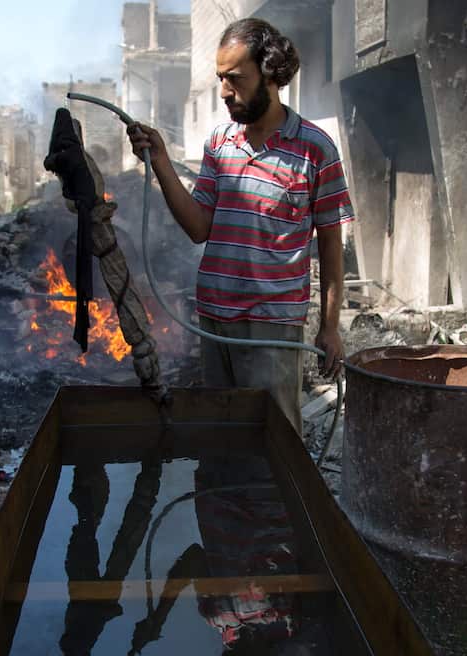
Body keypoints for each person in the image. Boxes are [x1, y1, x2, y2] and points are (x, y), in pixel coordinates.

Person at [127, 18, 354, 429]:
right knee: (220, 436)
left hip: (272, 327)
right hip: (214, 321)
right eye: (220, 78)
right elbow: (199, 227)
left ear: (270, 74)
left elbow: (331, 243)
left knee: (273, 440)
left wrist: (331, 327)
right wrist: (159, 162)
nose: (224, 91)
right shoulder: (218, 143)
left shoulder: (315, 149)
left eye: (235, 79)